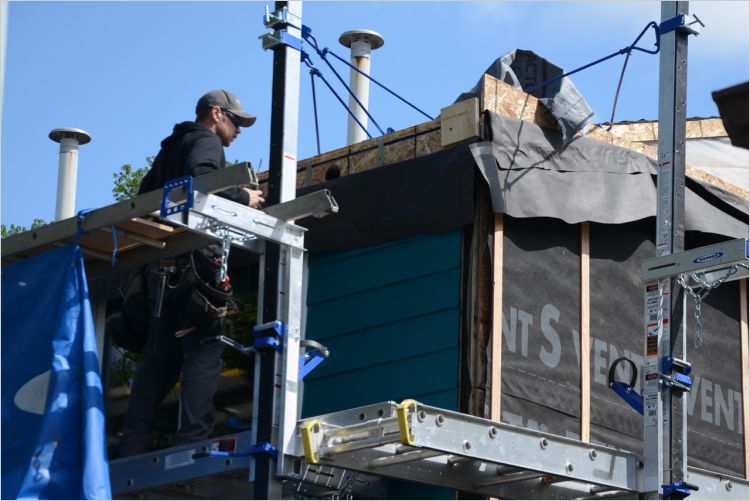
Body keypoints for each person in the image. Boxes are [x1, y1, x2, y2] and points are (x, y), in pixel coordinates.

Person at [118, 90, 265, 457]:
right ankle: (192, 445)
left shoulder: (170, 149)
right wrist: (244, 197)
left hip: (160, 269)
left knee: (159, 358)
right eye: (235, 121)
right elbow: (202, 181)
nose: (239, 131)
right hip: (196, 263)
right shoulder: (205, 141)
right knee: (204, 350)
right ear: (216, 114)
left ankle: (133, 447)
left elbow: (145, 198)